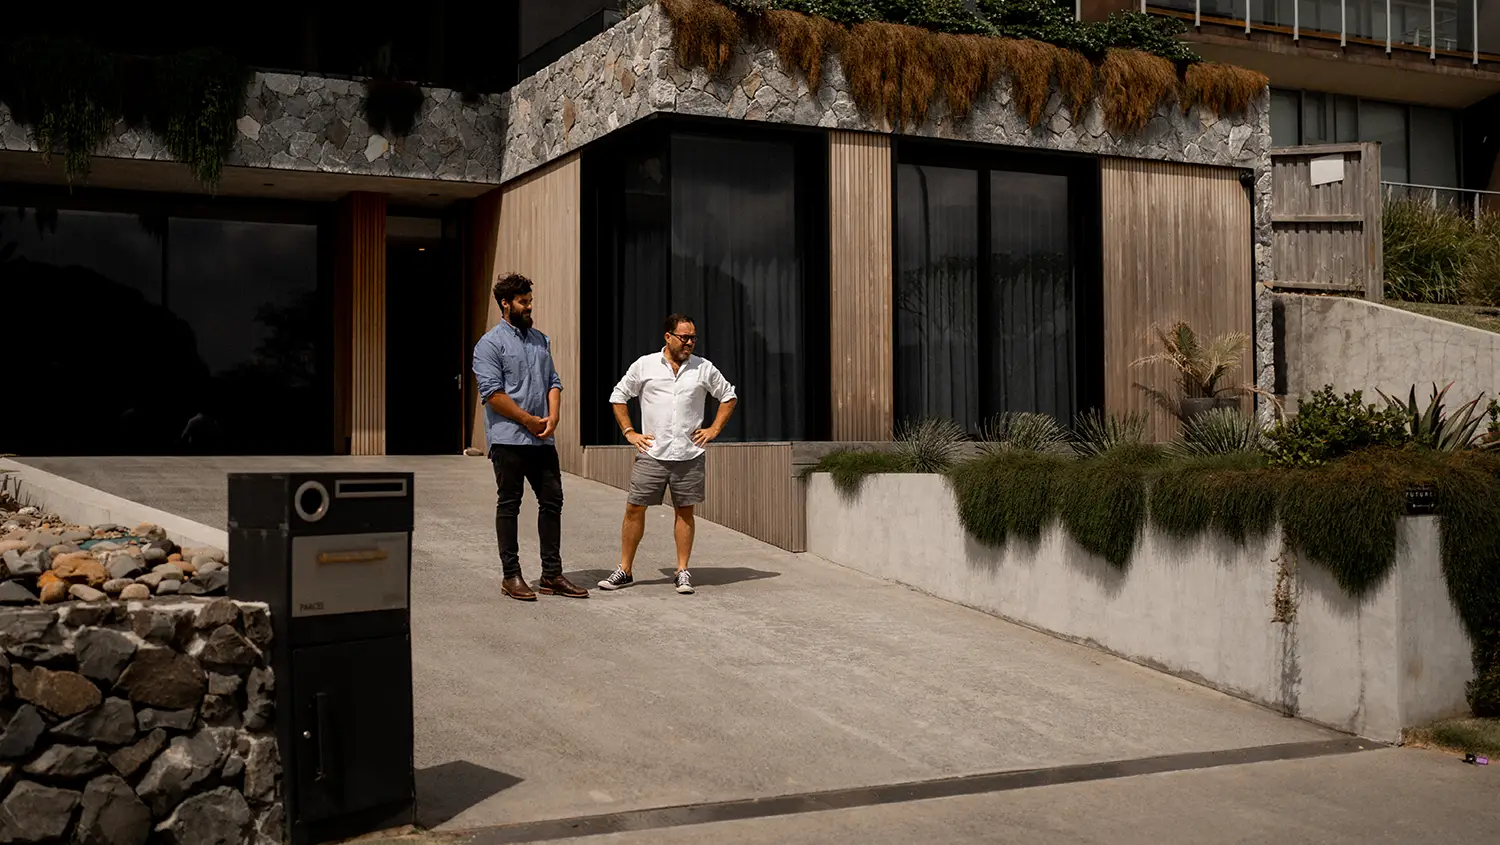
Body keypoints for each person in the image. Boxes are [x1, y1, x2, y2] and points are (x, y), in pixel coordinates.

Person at [598, 313, 737, 595]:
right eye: (684, 337)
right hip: (652, 452)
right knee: (634, 508)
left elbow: (728, 395)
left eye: (693, 337)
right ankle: (624, 570)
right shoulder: (645, 365)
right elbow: (618, 396)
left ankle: (682, 571)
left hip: (688, 454)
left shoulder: (703, 368)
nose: (689, 342)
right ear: (668, 336)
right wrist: (630, 432)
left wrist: (713, 429)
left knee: (685, 512)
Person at [472, 272, 589, 601]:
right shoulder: (489, 344)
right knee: (509, 504)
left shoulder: (540, 339)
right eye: (523, 302)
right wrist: (527, 420)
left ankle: (551, 575)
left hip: (542, 439)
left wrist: (554, 417)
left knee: (552, 501)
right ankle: (511, 576)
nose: (529, 306)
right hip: (508, 439)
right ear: (505, 304)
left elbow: (554, 380)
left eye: (530, 301)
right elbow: (492, 394)